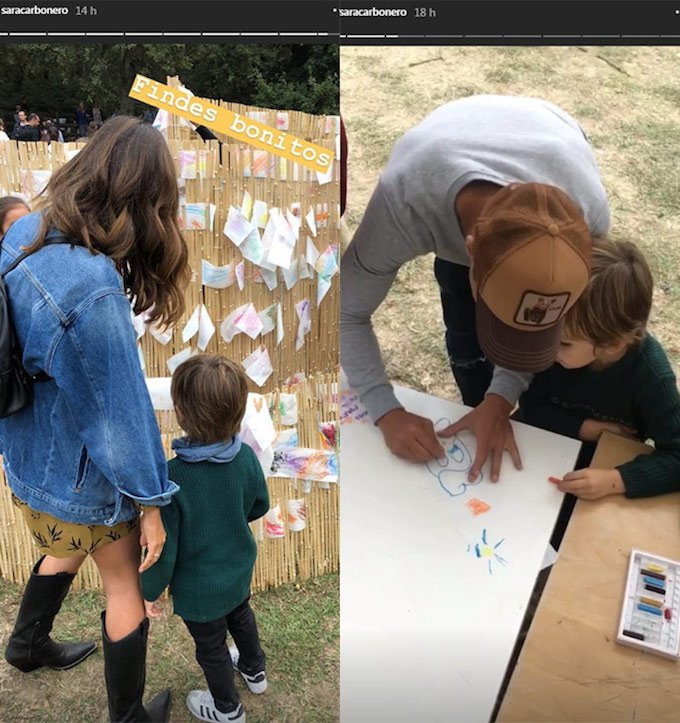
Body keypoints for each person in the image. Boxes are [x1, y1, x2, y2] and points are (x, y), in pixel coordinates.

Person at [0, 115, 190, 721]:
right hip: (83, 476)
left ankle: (26, 644)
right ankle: (129, 717)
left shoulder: (23, 230)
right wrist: (151, 504)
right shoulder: (92, 288)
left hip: (31, 464)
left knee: (71, 541)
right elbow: (121, 420)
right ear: (146, 204)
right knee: (123, 581)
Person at [340, 94, 610, 480]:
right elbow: (348, 311)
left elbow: (529, 333)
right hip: (445, 149)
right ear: (469, 255)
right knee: (466, 337)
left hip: (554, 137)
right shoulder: (408, 201)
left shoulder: (589, 215)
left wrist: (499, 400)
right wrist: (385, 410)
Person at [142, 354, 270, 723]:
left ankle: (228, 709)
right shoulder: (245, 456)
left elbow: (162, 549)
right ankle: (254, 671)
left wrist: (150, 591)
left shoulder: (173, 479)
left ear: (180, 412)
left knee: (212, 648)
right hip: (238, 571)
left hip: (201, 590)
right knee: (242, 617)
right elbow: (258, 505)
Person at [515, 237, 680, 500]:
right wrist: (587, 428)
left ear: (612, 344)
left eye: (564, 342)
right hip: (538, 455)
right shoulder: (553, 351)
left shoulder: (652, 377)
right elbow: (530, 406)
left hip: (602, 473)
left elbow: (676, 456)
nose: (546, 348)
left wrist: (616, 480)